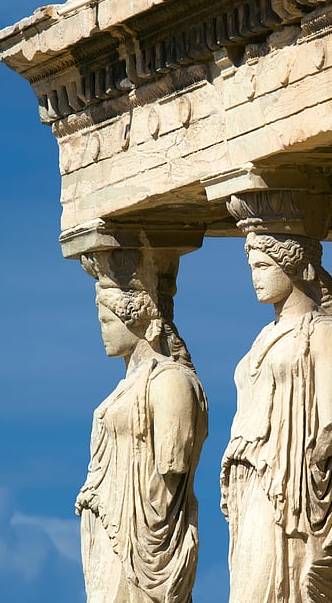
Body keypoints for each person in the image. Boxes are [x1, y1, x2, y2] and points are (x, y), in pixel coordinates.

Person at [221, 231, 332, 603]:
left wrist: (307, 470)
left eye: (264, 266)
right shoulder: (261, 337)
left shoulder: (325, 333)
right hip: (251, 482)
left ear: (297, 268)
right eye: (252, 266)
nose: (255, 276)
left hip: (292, 490)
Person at [76, 255, 208, 603]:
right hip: (111, 525)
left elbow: (172, 463)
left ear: (133, 319)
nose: (101, 330)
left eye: (107, 320)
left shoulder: (170, 381)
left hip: (145, 535)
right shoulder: (126, 387)